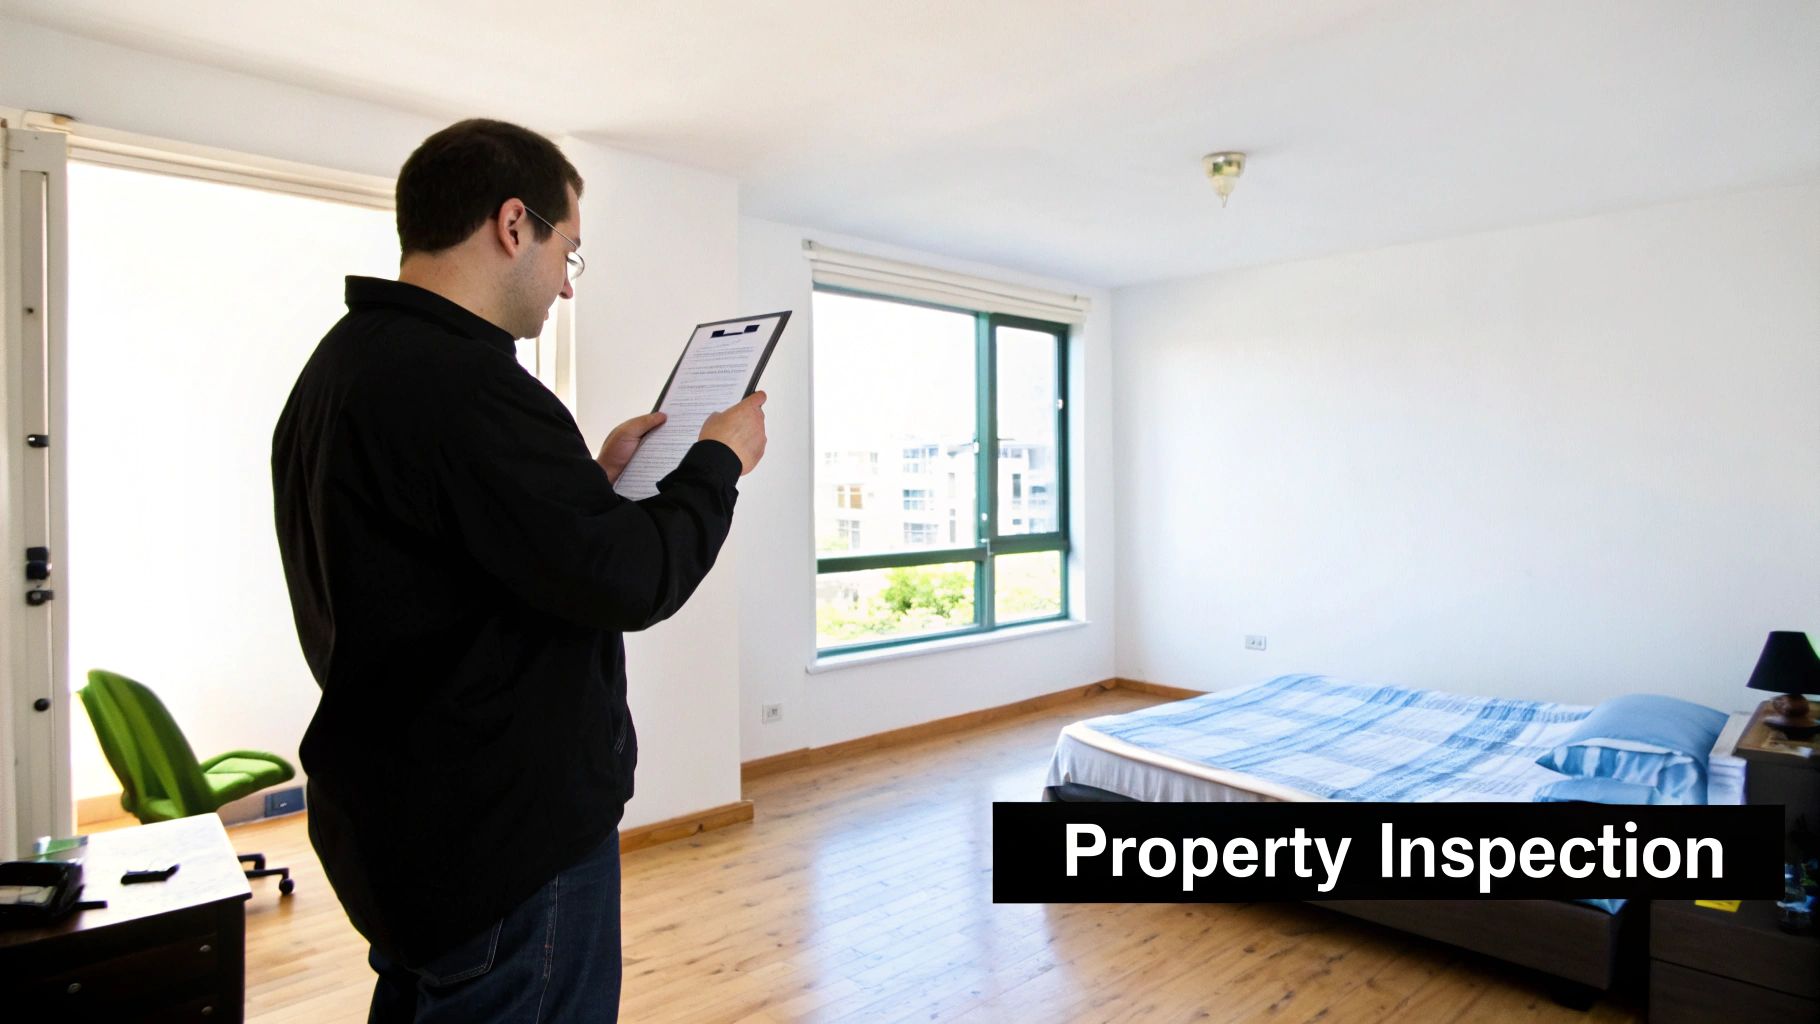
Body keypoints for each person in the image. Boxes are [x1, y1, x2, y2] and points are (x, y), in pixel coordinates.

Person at [271, 118, 765, 1023]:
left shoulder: (343, 369)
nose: (564, 291)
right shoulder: (469, 386)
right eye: (567, 253)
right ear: (513, 225)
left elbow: (466, 557)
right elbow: (631, 579)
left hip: (407, 831)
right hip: (505, 846)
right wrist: (717, 464)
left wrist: (593, 481)